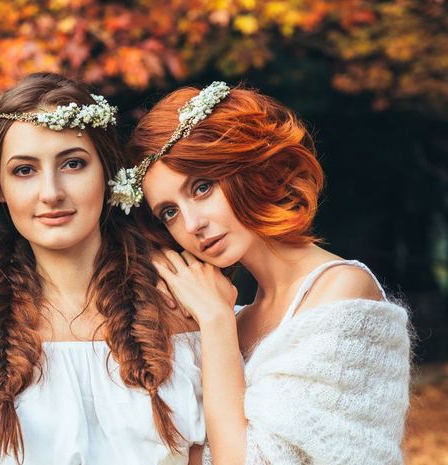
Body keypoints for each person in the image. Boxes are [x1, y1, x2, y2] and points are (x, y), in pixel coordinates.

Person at [110, 82, 411, 465]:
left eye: (202, 188)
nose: (192, 223)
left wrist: (215, 321)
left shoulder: (342, 291)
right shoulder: (235, 316)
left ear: (247, 168)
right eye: (169, 212)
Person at [0, 73, 205, 465]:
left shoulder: (179, 318)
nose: (51, 192)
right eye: (24, 170)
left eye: (72, 163)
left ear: (106, 172)